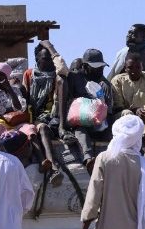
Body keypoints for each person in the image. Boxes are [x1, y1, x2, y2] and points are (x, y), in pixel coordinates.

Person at [41, 40, 114, 172]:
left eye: (101, 67)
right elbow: (61, 67)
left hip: (99, 124)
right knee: (80, 130)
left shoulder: (104, 85)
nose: (99, 70)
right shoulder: (75, 78)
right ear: (85, 66)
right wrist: (50, 48)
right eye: (95, 67)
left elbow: (109, 110)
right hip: (79, 123)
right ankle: (88, 159)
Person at [22, 44, 65, 185]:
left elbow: (63, 68)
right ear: (37, 59)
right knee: (42, 128)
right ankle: (52, 166)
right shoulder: (29, 74)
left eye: (51, 59)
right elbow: (25, 99)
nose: (50, 62)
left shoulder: (57, 76)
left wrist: (51, 48)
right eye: (46, 59)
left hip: (53, 117)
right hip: (34, 118)